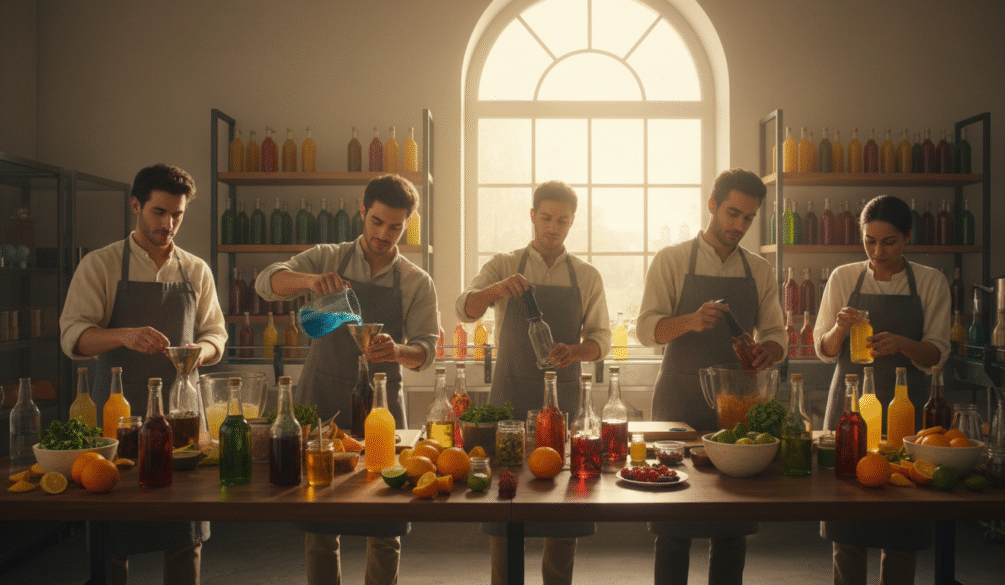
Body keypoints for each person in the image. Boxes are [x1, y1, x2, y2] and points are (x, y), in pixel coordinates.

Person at [256, 174, 438, 585]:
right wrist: (309, 281)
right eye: (377, 222)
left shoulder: (415, 281)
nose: (383, 234)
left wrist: (399, 352)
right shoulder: (328, 257)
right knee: (320, 517)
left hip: (380, 406)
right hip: (320, 398)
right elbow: (266, 282)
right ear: (363, 211)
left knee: (386, 519)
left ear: (408, 224)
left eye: (395, 226)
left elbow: (426, 350)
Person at [59, 163, 227, 585]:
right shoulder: (100, 265)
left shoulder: (197, 270)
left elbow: (216, 335)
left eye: (178, 215)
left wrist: (199, 352)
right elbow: (74, 339)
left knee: (185, 531)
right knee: (113, 530)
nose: (168, 224)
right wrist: (124, 336)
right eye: (158, 213)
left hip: (182, 415)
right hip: (116, 416)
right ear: (136, 206)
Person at [455, 180, 611, 585]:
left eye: (562, 220)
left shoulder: (587, 275)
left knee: (563, 509)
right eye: (546, 218)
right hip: (507, 403)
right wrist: (496, 288)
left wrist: (573, 352)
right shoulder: (505, 263)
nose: (553, 227)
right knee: (506, 509)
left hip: (564, 405)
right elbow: (464, 308)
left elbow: (602, 340)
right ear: (532, 215)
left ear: (572, 222)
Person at [636, 168, 786, 585]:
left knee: (732, 524)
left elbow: (776, 334)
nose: (739, 225)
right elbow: (647, 329)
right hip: (677, 400)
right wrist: (691, 320)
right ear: (712, 206)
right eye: (733, 214)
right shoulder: (671, 259)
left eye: (748, 219)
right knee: (673, 524)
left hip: (739, 404)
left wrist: (766, 352)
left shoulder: (758, 270)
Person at [814, 194, 950, 585]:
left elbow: (937, 352)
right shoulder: (843, 277)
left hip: (908, 412)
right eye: (869, 241)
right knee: (849, 521)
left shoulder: (929, 281)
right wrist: (840, 328)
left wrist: (904, 344)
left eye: (888, 242)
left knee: (903, 523)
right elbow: (824, 351)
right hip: (852, 410)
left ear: (908, 237)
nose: (877, 251)